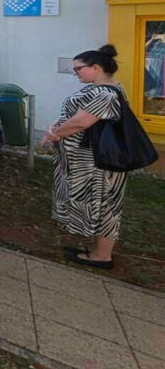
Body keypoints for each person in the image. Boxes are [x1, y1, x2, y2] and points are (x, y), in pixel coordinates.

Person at [42, 45, 128, 269]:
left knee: (105, 205)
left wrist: (53, 134)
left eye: (78, 69)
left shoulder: (106, 93)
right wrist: (56, 127)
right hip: (88, 161)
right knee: (96, 203)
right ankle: (96, 249)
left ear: (96, 68)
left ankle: (102, 256)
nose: (76, 73)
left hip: (97, 162)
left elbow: (81, 122)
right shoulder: (100, 89)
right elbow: (73, 116)